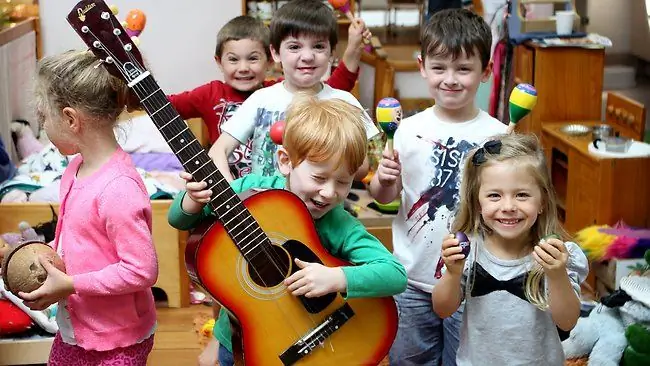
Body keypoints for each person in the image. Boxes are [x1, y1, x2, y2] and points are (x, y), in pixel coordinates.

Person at [168, 96, 407, 366]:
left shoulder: (336, 222)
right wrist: (192, 200)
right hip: (240, 337)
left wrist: (336, 277)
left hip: (321, 337)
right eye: (318, 177)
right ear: (285, 161)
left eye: (343, 182)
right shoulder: (250, 191)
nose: (329, 192)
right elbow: (179, 220)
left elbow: (395, 274)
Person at [368, 8, 507, 366]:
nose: (451, 79)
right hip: (411, 279)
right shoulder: (405, 130)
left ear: (486, 71)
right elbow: (384, 198)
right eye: (440, 67)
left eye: (464, 69)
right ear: (422, 66)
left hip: (474, 281)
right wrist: (384, 181)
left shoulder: (499, 137)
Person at [20, 50, 158, 365]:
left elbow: (141, 270)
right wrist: (48, 255)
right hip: (77, 327)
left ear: (70, 118)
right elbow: (75, 237)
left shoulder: (118, 188)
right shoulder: (75, 168)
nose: (43, 128)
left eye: (44, 117)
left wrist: (71, 283)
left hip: (118, 341)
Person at [431, 133, 589, 365]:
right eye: (494, 195)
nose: (508, 207)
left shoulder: (558, 255)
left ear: (543, 202)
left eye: (522, 195)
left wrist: (557, 275)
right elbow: (442, 309)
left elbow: (567, 322)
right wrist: (453, 274)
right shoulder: (468, 249)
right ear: (477, 204)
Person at [168, 14, 370, 179]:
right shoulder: (209, 93)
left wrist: (353, 48)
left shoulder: (277, 91)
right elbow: (166, 106)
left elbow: (330, 93)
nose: (244, 68)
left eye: (253, 58)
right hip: (233, 191)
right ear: (219, 62)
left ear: (271, 59)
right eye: (233, 60)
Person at [211, 0, 380, 182]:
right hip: (264, 205)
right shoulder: (261, 99)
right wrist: (232, 190)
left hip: (322, 206)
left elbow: (362, 168)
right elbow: (218, 151)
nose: (307, 56)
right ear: (275, 53)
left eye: (318, 46)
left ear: (331, 53)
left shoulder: (344, 102)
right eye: (294, 47)